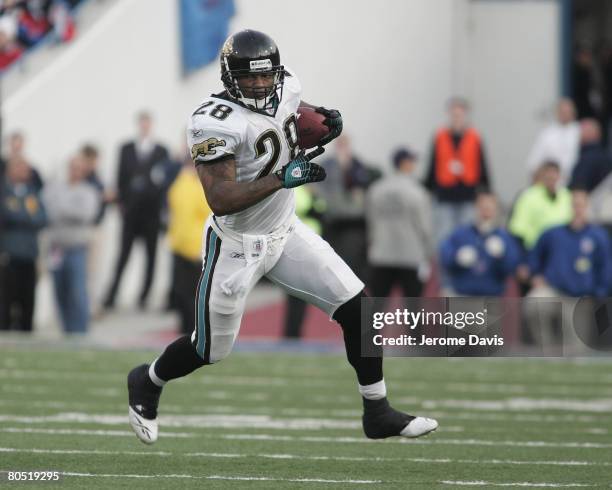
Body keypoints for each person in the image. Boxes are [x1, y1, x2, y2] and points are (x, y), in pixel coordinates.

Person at [126, 29, 437, 445]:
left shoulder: (287, 84)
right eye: (248, 77)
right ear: (228, 76)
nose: (259, 85)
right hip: (236, 244)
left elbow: (290, 116)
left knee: (359, 310)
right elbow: (220, 198)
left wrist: (319, 121)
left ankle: (377, 411)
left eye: (265, 76)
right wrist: (280, 178)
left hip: (285, 231)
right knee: (209, 350)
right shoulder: (211, 121)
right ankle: (147, 380)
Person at [524, 189, 611, 353]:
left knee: (576, 350)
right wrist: (534, 274)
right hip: (554, 289)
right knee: (534, 303)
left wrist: (598, 294)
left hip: (580, 297)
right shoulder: (553, 233)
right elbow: (534, 256)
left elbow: (605, 267)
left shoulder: (598, 236)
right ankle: (546, 347)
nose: (578, 209)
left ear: (587, 207)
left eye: (581, 205)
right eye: (574, 205)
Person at [103, 111, 170, 310]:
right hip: (131, 213)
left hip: (151, 213)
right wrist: (121, 205)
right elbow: (120, 179)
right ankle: (111, 295)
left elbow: (163, 182)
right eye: (142, 123)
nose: (145, 127)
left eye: (148, 123)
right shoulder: (126, 149)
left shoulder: (161, 151)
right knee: (123, 255)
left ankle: (144, 296)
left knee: (151, 257)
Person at [366, 148, 432, 302]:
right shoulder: (417, 192)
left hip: (381, 255)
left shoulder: (376, 189)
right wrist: (428, 253)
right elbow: (425, 228)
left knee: (376, 310)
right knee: (413, 311)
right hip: (410, 255)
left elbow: (371, 224)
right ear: (405, 164)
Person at [43, 155, 99, 334]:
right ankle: (66, 330)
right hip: (56, 249)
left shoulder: (88, 191)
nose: (75, 171)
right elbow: (48, 210)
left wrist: (62, 208)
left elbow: (85, 214)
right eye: (72, 167)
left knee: (78, 292)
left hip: (77, 249)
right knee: (60, 291)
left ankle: (81, 331)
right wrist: (69, 209)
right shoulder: (56, 188)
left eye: (78, 168)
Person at [424, 97, 491, 245]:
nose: (457, 118)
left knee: (467, 234)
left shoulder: (475, 137)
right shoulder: (440, 136)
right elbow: (433, 164)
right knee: (443, 234)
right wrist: (428, 189)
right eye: (454, 114)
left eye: (460, 114)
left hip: (467, 194)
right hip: (445, 194)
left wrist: (486, 191)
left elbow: (482, 164)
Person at [440, 189, 520, 296]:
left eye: (490, 209)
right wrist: (456, 258)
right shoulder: (461, 233)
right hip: (462, 294)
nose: (486, 213)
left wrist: (501, 256)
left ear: (496, 211)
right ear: (475, 208)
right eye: (482, 208)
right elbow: (444, 257)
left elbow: (511, 268)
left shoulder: (504, 237)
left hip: (491, 297)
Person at [166, 148, 211, 334]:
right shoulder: (192, 185)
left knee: (187, 294)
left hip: (186, 246)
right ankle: (191, 330)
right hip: (189, 247)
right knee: (190, 294)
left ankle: (189, 329)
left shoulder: (182, 184)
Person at [0, 156, 47, 332]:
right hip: (9, 255)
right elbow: (6, 215)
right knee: (6, 301)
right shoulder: (4, 192)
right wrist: (26, 216)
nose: (23, 171)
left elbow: (42, 218)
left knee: (28, 301)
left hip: (29, 254)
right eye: (18, 167)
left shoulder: (32, 192)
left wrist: (20, 215)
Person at [526, 98, 580, 183]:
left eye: (568, 111)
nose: (565, 114)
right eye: (562, 111)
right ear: (556, 113)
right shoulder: (547, 134)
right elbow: (534, 161)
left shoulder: (579, 132)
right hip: (551, 183)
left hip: (575, 182)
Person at [569, 119, 612, 192]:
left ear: (593, 133)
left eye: (582, 131)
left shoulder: (590, 157)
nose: (579, 135)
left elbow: (580, 182)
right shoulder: (600, 155)